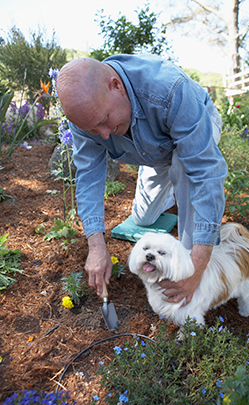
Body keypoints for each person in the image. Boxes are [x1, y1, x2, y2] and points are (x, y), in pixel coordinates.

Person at [56, 54, 228, 305]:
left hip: (196, 132)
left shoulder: (169, 90)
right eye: (93, 130)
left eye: (104, 121)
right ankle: (177, 188)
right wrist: (95, 245)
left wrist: (198, 264)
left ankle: (191, 262)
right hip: (154, 152)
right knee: (143, 218)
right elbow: (88, 178)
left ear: (116, 86)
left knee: (184, 168)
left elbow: (205, 171)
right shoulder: (87, 116)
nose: (103, 135)